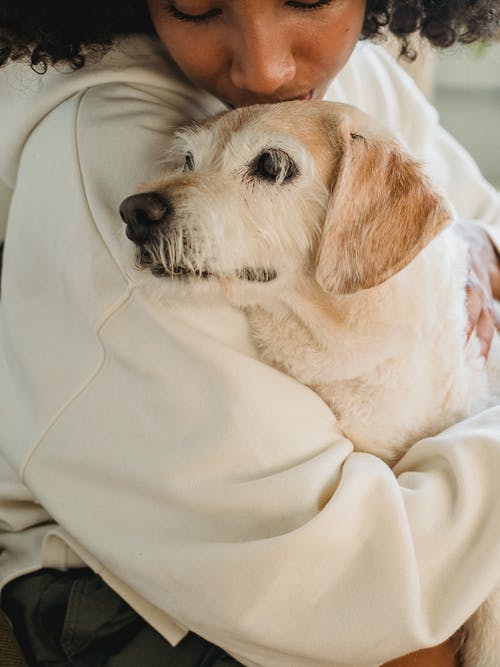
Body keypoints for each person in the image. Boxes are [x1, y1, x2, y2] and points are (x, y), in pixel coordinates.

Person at [1, 1, 500, 665]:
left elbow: (478, 223)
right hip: (130, 601)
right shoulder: (106, 152)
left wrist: (471, 250)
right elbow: (359, 593)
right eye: (196, 6)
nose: (264, 69)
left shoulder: (358, 78)